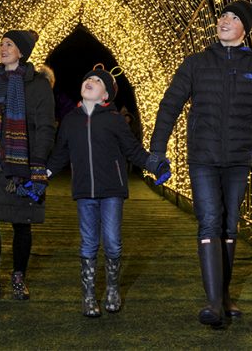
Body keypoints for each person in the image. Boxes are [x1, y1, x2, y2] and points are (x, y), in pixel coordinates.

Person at [149, 0, 252, 327]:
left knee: (229, 224)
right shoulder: (196, 64)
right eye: (223, 15)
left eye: (233, 17)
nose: (224, 20)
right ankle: (213, 304)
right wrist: (157, 148)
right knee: (210, 219)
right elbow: (169, 105)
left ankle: (223, 297)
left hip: (238, 159)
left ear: (245, 28)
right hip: (203, 158)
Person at [47, 65, 171, 317]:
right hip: (84, 191)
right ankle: (89, 296)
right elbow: (60, 154)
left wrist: (155, 165)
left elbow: (133, 150)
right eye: (87, 79)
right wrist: (41, 176)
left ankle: (113, 289)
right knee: (89, 243)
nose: (89, 81)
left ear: (105, 96)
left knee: (112, 243)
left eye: (96, 80)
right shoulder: (71, 121)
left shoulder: (114, 120)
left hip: (112, 189)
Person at [0, 30, 55, 305]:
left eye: (10, 44)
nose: (3, 48)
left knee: (22, 223)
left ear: (22, 52)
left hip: (21, 164)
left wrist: (38, 164)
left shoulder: (38, 85)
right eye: (2, 43)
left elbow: (45, 129)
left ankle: (19, 277)